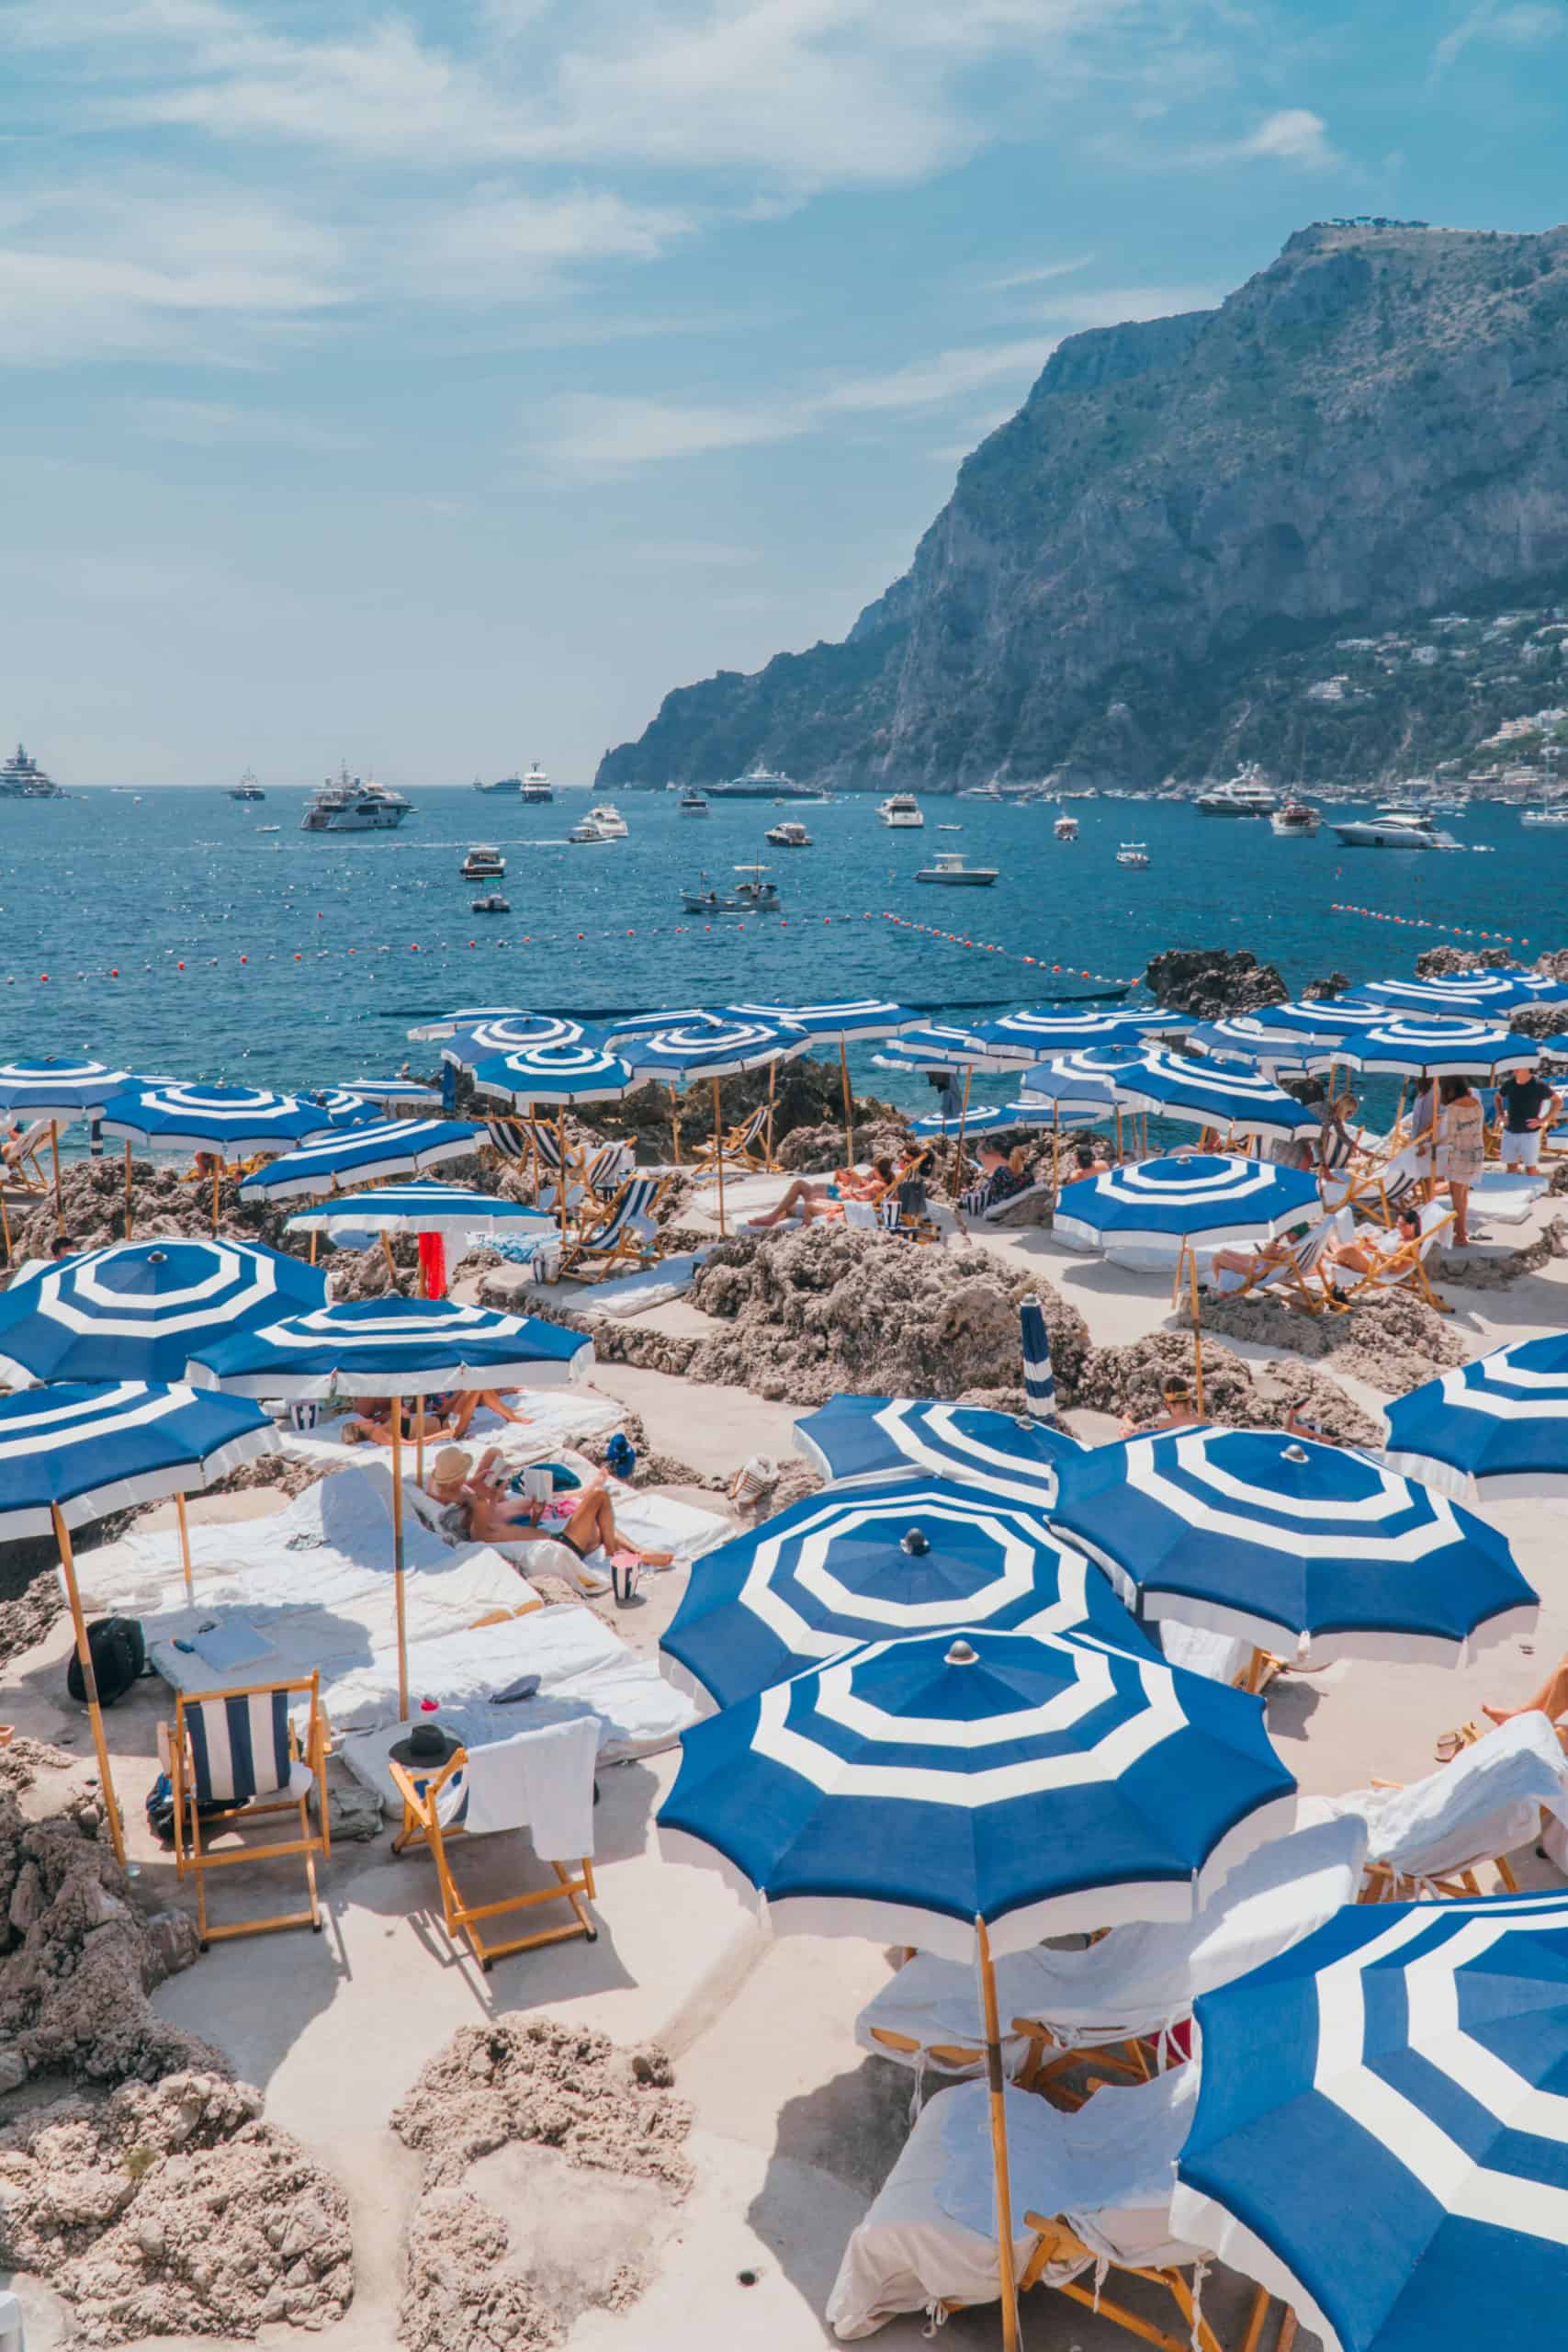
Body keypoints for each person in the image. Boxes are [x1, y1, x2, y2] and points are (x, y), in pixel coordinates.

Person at [423, 1446, 672, 1580]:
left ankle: (633, 1552)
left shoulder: (489, 1527)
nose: (487, 1503)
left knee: (600, 1526)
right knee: (599, 1498)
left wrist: (535, 1513)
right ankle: (617, 1554)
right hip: (563, 1542)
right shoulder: (483, 1531)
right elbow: (472, 1502)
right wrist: (482, 1496)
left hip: (558, 1538)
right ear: (471, 1517)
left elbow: (525, 1530)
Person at [748, 1158, 896, 1230]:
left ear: (876, 1169)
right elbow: (861, 1194)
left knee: (797, 1202)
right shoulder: (880, 1185)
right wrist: (851, 1187)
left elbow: (861, 1196)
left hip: (845, 1206)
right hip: (844, 1202)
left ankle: (772, 1218)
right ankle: (773, 1218)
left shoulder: (877, 1185)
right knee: (796, 1198)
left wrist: (851, 1190)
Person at [1435, 1072, 1485, 1245]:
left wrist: (1433, 1145)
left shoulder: (1453, 1107)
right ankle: (1460, 1231)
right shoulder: (1477, 1103)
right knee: (1463, 1193)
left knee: (1456, 1195)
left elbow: (1449, 1136)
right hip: (1477, 1151)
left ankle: (1461, 1235)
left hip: (1461, 1153)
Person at [1318, 1204, 1423, 1283]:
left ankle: (1332, 1257)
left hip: (1376, 1268)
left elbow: (1396, 1269)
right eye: (1398, 1224)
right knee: (1332, 1237)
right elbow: (1382, 1245)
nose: (1399, 1228)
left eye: (1402, 1225)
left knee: (1348, 1249)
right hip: (1369, 1257)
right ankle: (1335, 1256)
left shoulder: (1411, 1245)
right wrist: (1370, 1243)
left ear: (1412, 1225)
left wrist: (1377, 1252)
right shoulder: (1399, 1236)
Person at [1497, 1064, 1561, 1173]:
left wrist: (1543, 1120)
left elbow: (1558, 1102)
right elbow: (1497, 1097)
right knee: (1511, 1168)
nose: (1513, 1069)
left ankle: (1536, 1190)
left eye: (1517, 1066)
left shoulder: (1538, 1085)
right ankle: (1513, 1189)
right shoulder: (1510, 1083)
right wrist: (1501, 1115)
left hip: (1530, 1134)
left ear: (1526, 1066)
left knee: (1530, 1169)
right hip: (1510, 1131)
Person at [1118, 1375, 1202, 1441]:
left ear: (1167, 1404)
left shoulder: (1161, 1426)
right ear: (1190, 1403)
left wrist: (1127, 1420)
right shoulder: (1205, 1426)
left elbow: (1134, 1432)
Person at [960, 1142, 1032, 1216]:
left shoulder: (1005, 1171)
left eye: (1013, 1156)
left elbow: (992, 1189)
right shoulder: (1026, 1176)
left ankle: (968, 1201)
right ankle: (967, 1201)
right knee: (984, 1189)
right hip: (1004, 1203)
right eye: (1011, 1156)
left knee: (983, 1191)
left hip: (998, 1203)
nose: (1011, 1159)